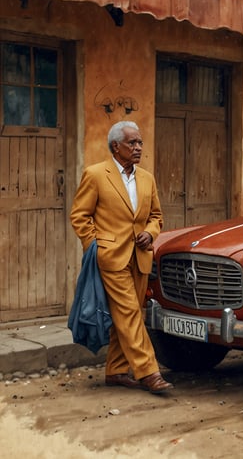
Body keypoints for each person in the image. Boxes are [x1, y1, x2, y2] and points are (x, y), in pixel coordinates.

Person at [70, 120, 173, 394]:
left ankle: (115, 371)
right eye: (132, 143)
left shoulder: (147, 178)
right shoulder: (95, 174)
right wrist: (96, 245)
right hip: (111, 258)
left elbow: (156, 216)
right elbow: (79, 215)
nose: (138, 147)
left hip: (139, 257)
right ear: (116, 146)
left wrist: (150, 234)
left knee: (127, 314)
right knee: (129, 313)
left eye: (140, 142)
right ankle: (149, 371)